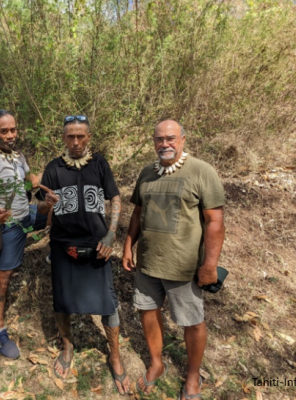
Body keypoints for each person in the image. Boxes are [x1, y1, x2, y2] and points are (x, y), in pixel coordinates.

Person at [122, 120, 225, 399]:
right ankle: (157, 363)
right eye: (159, 139)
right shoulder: (147, 173)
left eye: (170, 138)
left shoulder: (202, 172)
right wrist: (129, 245)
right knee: (148, 311)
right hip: (148, 263)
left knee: (191, 322)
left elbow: (215, 222)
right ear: (153, 142)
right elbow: (137, 213)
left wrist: (210, 265)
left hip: (184, 267)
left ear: (182, 139)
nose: (164, 144)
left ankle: (193, 376)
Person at [38, 115, 130, 395]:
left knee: (108, 302)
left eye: (81, 136)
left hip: (96, 245)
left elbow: (114, 198)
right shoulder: (53, 168)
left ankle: (114, 355)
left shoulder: (100, 164)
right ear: (63, 138)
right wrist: (47, 204)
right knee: (62, 300)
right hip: (62, 245)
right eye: (70, 137)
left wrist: (111, 234)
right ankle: (67, 345)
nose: (75, 142)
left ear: (89, 137)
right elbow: (42, 210)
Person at [0, 110, 58, 359]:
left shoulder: (17, 156)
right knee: (4, 276)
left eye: (13, 130)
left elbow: (29, 183)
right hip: (8, 224)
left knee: (62, 208)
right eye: (4, 131)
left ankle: (56, 250)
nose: (10, 135)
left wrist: (46, 189)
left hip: (27, 214)